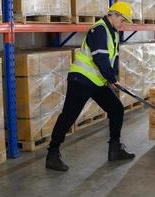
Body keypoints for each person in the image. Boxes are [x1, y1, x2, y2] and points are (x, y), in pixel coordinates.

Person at [46, 2, 135, 171]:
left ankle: (114, 149)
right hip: (81, 79)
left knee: (116, 109)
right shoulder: (99, 29)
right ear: (114, 14)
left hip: (96, 81)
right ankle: (52, 154)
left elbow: (111, 60)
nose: (123, 24)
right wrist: (111, 78)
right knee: (69, 116)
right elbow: (100, 58)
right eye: (123, 20)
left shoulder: (113, 33)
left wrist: (110, 78)